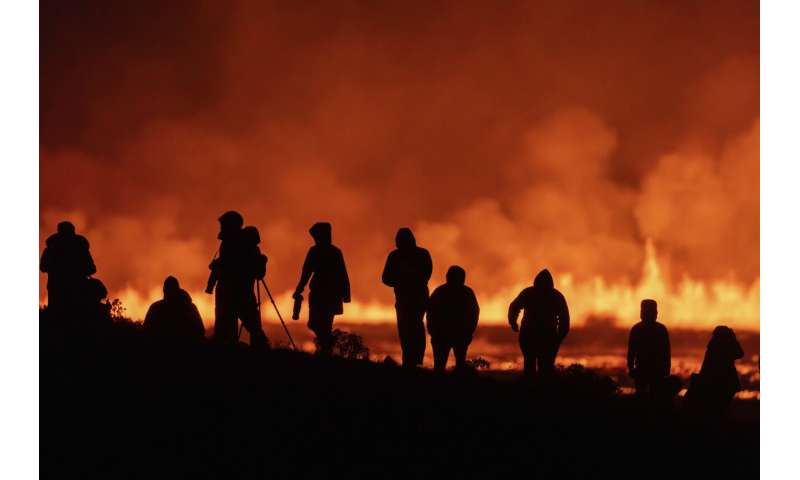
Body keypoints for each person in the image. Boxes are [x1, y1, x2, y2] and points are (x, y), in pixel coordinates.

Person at [206, 211, 269, 348]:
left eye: (223, 224)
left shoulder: (229, 243)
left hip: (230, 292)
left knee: (227, 328)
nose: (221, 227)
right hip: (243, 291)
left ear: (230, 225)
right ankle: (261, 350)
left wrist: (216, 267)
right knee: (253, 325)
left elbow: (230, 265)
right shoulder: (245, 242)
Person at [293, 222, 350, 356]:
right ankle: (327, 345)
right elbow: (307, 272)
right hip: (328, 294)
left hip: (325, 294)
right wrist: (346, 295)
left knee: (318, 324)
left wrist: (299, 289)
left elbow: (306, 272)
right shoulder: (334, 252)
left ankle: (326, 348)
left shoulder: (317, 251)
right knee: (319, 324)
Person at [382, 228, 432, 367]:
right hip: (407, 299)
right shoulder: (421, 254)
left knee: (410, 326)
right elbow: (386, 278)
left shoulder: (397, 256)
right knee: (410, 327)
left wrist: (403, 279)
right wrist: (403, 279)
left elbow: (426, 274)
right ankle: (412, 361)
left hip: (413, 299)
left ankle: (414, 360)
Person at [508, 269, 570, 379]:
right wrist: (559, 338)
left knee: (529, 366)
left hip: (529, 335)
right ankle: (543, 393)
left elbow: (514, 307)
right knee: (545, 369)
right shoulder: (556, 296)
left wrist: (513, 322)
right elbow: (565, 320)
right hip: (547, 336)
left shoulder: (528, 293)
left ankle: (530, 392)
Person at [426, 265, 479, 372]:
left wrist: (469, 332)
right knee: (449, 366)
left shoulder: (440, 291)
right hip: (447, 335)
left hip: (453, 335)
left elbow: (430, 312)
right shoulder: (467, 292)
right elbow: (474, 313)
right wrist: (469, 332)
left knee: (442, 366)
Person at [40, 221, 97, 318]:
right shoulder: (80, 248)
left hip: (56, 288)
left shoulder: (51, 248)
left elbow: (43, 267)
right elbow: (92, 268)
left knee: (56, 317)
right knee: (75, 316)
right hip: (77, 288)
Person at [686, 326, 744, 415]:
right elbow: (739, 353)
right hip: (721, 382)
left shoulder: (714, 345)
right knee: (718, 410)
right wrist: (733, 338)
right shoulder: (720, 346)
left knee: (716, 410)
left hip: (718, 382)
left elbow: (739, 354)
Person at [627, 299, 671, 398]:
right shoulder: (661, 329)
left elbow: (631, 351)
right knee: (654, 397)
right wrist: (667, 369)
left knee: (642, 397)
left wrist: (630, 367)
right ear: (656, 313)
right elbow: (666, 352)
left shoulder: (636, 329)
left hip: (646, 369)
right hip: (654, 370)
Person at [144, 276, 205, 343]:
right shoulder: (190, 307)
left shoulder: (155, 307)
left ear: (164, 290)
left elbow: (146, 331)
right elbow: (201, 331)